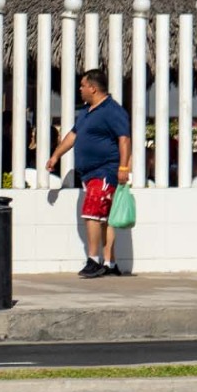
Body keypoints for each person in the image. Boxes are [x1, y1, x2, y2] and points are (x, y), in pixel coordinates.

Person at [45, 69, 133, 277]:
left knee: (92, 213)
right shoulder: (86, 111)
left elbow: (124, 139)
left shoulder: (113, 111)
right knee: (105, 218)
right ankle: (110, 263)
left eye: (83, 85)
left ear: (93, 88)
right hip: (89, 173)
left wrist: (123, 167)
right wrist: (56, 155)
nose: (80, 89)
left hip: (105, 171)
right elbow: (73, 135)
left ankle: (94, 260)